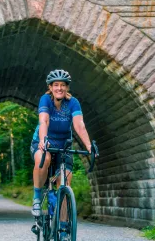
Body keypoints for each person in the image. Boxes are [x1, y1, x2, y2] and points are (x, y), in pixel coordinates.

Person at [30, 69, 93, 217]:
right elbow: (44, 120)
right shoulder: (45, 100)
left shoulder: (73, 103)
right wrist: (43, 140)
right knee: (43, 158)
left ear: (67, 87)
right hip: (44, 141)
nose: (60, 88)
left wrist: (89, 146)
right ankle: (37, 198)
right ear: (50, 87)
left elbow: (79, 125)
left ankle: (63, 227)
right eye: (56, 85)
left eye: (63, 85)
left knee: (64, 182)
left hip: (63, 146)